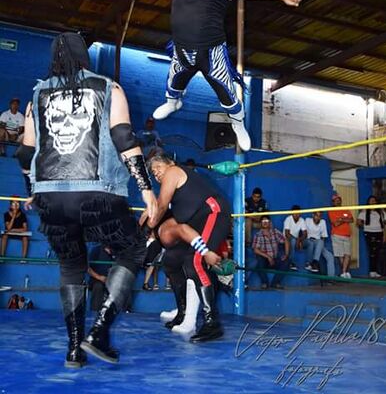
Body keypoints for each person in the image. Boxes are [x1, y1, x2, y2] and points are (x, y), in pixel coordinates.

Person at [16, 32, 158, 368]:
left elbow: (25, 152)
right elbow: (124, 138)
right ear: (84, 56)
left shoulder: (36, 95)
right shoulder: (109, 88)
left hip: (50, 196)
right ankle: (99, 332)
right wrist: (146, 189)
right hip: (97, 193)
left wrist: (32, 190)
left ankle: (73, 350)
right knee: (133, 249)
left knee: (71, 266)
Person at [112, 0, 302, 152]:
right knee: (173, 82)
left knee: (228, 94)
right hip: (182, 49)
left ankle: (237, 123)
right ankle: (173, 103)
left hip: (212, 53)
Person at [147, 152, 231, 342]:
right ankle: (183, 312)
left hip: (213, 212)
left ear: (170, 163)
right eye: (153, 172)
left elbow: (160, 206)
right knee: (171, 260)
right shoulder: (175, 194)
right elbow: (158, 210)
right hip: (195, 223)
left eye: (158, 167)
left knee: (195, 261)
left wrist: (149, 224)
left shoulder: (173, 172)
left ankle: (212, 322)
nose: (156, 173)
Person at [252, 217, 289, 289]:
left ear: (270, 222)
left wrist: (286, 254)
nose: (265, 222)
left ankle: (275, 283)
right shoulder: (258, 235)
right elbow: (255, 250)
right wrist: (268, 257)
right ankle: (265, 283)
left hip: (275, 259)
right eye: (263, 221)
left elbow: (286, 240)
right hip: (265, 260)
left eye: (266, 220)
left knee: (287, 261)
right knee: (259, 261)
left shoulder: (275, 232)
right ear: (261, 223)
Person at [357, 195, 384, 278]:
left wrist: (384, 235)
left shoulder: (379, 212)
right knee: (372, 251)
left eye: (374, 201)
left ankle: (375, 271)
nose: (373, 202)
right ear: (368, 202)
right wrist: (366, 226)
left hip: (379, 232)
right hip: (370, 233)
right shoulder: (364, 211)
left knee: (377, 252)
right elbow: (358, 222)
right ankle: (372, 271)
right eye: (371, 200)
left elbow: (382, 225)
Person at [328, 193, 354, 278]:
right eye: (336, 200)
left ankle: (344, 272)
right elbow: (335, 224)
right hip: (337, 235)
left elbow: (351, 220)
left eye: (339, 200)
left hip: (347, 235)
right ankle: (344, 272)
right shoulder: (331, 211)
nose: (338, 202)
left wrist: (340, 220)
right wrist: (344, 219)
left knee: (347, 254)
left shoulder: (345, 209)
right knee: (340, 255)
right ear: (333, 202)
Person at [304, 212, 335, 277]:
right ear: (313, 215)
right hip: (308, 240)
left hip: (318, 243)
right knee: (311, 243)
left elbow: (323, 236)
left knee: (330, 256)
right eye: (317, 216)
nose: (318, 218)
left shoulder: (323, 222)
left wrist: (319, 247)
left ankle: (331, 278)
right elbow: (303, 234)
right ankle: (309, 263)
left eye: (320, 216)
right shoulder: (307, 220)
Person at [87, 245, 114, 311]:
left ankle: (124, 311)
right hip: (98, 280)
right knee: (98, 286)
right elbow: (87, 268)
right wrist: (99, 277)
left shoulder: (118, 251)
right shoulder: (96, 250)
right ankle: (95, 312)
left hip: (113, 280)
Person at [283, 205, 307, 271]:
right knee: (293, 241)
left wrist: (299, 240)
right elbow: (287, 233)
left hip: (296, 239)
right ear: (292, 213)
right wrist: (297, 240)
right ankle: (291, 262)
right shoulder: (288, 219)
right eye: (295, 213)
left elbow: (305, 233)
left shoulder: (301, 220)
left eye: (298, 213)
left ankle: (309, 263)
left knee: (309, 243)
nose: (296, 215)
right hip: (286, 238)